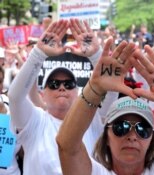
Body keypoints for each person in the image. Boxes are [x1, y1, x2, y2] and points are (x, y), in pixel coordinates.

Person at [56, 36, 154, 174]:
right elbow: (67, 145)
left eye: (143, 129)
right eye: (121, 127)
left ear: (151, 138)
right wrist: (94, 89)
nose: (132, 136)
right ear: (106, 136)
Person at [7, 19, 109, 175]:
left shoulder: (91, 120)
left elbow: (108, 92)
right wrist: (38, 54)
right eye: (54, 84)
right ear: (43, 94)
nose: (62, 87)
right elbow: (14, 97)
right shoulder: (35, 121)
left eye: (68, 84)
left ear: (78, 93)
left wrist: (96, 55)